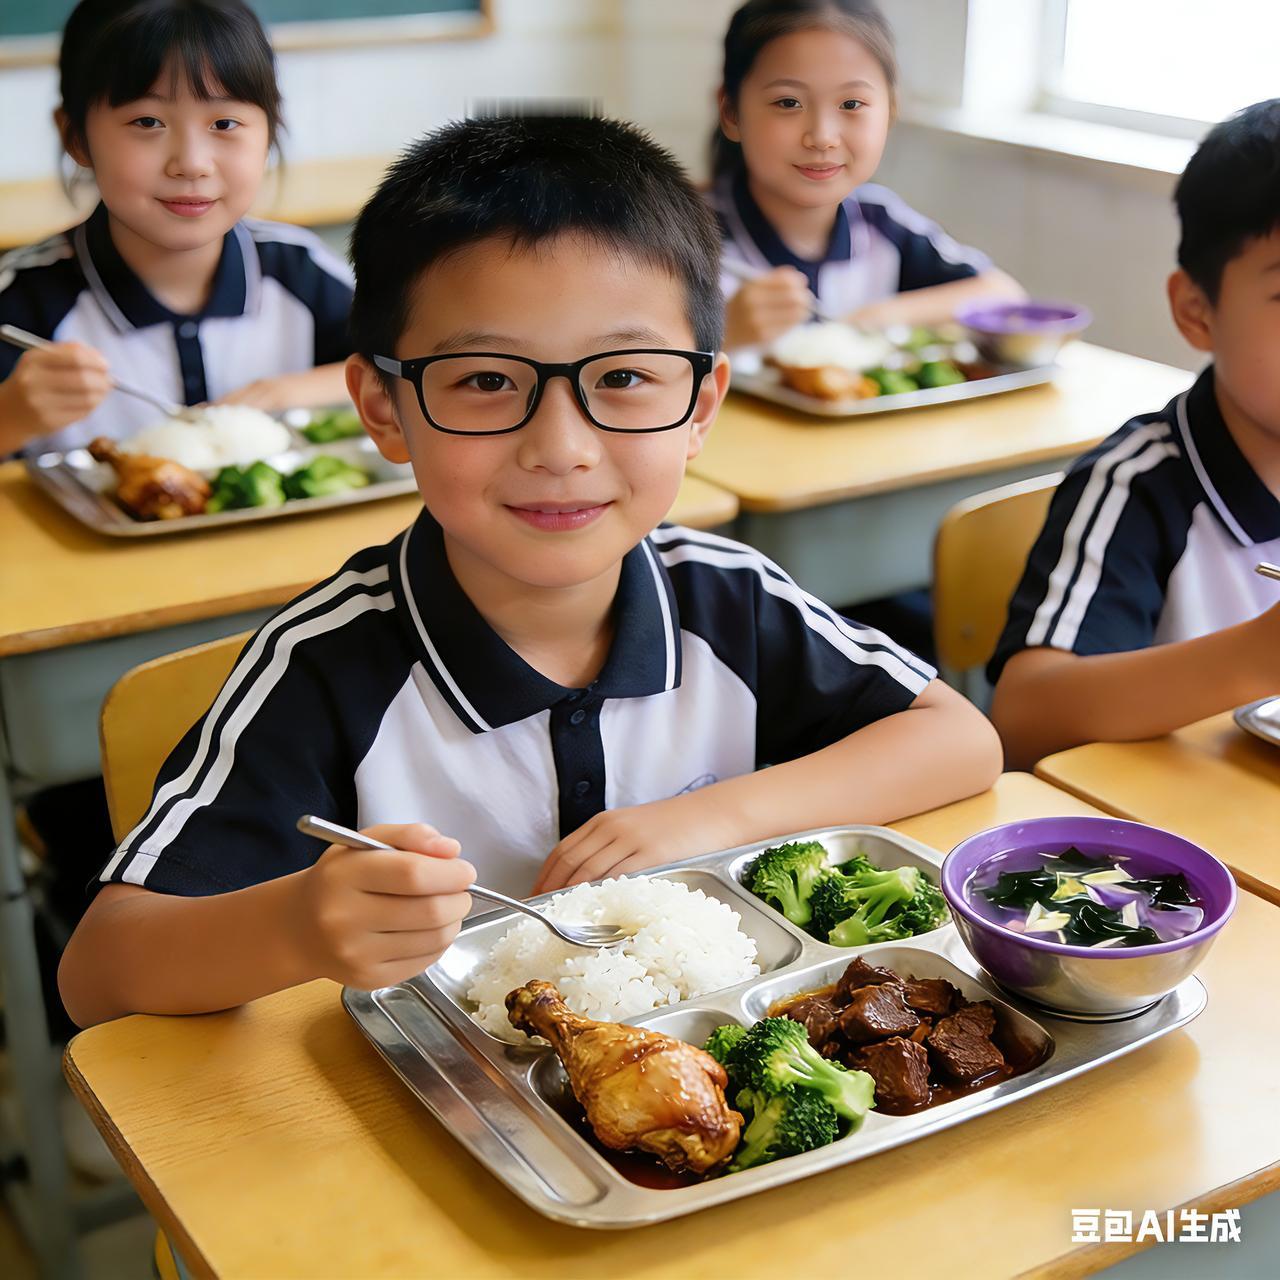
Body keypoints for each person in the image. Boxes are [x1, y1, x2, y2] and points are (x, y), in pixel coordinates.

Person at [58, 113, 1002, 1028]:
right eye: (485, 381)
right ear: (382, 409)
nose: (562, 447)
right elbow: (100, 972)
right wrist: (296, 924)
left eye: (625, 377)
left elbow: (960, 740)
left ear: (703, 400)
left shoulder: (726, 595)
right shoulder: (326, 665)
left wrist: (710, 818)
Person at [988, 99, 1280, 771]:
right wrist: (1256, 658)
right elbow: (1026, 715)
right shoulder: (1140, 485)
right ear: (1196, 311)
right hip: (1180, 850)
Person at [0, 0, 353, 457]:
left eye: (224, 122)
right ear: (76, 138)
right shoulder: (23, 297)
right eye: (147, 121)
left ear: (270, 131)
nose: (191, 163)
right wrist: (11, 414)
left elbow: (401, 378)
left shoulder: (300, 269)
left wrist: (293, 392)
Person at [711, 0, 1023, 352]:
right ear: (732, 113)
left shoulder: (879, 220)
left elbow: (1003, 296)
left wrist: (873, 320)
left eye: (851, 104)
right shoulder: (680, 237)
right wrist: (725, 334)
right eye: (788, 103)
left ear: (890, 110)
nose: (823, 137)